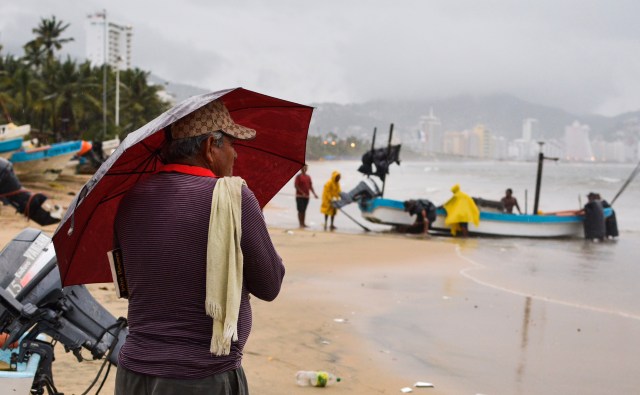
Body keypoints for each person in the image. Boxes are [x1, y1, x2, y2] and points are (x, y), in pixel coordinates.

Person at [114, 99, 285, 395]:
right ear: (210, 146)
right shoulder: (234, 200)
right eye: (231, 144)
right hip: (201, 376)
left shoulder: (131, 199)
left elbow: (128, 283)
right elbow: (270, 285)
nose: (235, 155)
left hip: (133, 373)